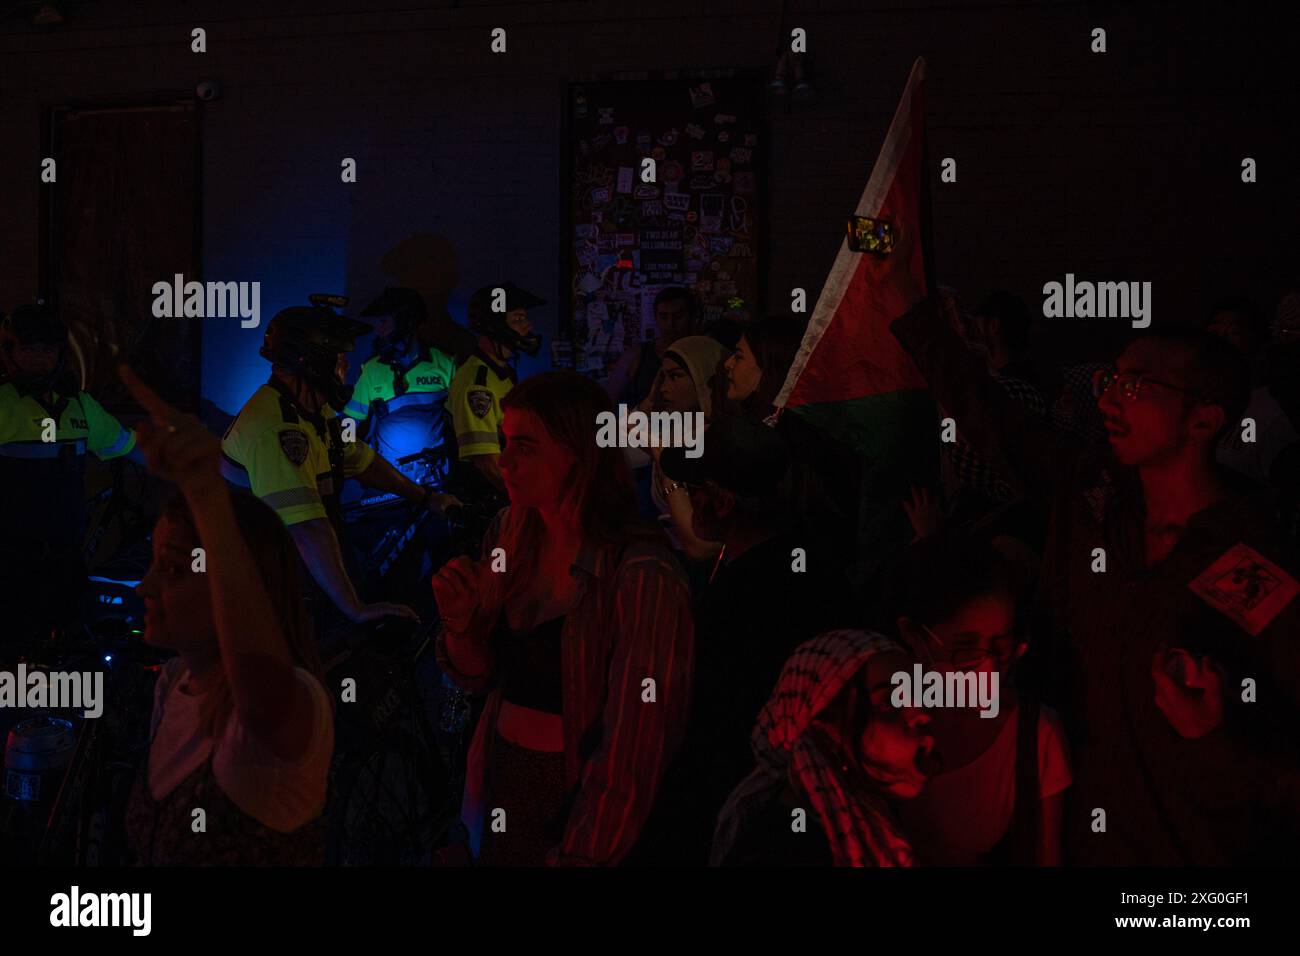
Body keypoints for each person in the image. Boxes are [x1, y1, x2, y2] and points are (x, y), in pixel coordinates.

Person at [891, 297, 1300, 865]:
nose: (1107, 397)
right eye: (1110, 378)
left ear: (1203, 419)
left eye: (1137, 386)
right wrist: (913, 309)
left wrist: (1216, 739)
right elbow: (995, 421)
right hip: (1076, 834)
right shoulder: (1092, 495)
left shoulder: (1257, 566)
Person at [432, 371, 694, 866]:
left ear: (579, 452)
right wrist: (461, 624)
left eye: (525, 447)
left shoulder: (641, 574)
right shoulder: (510, 532)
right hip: (497, 777)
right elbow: (477, 678)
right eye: (505, 442)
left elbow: (634, 748)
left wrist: (584, 852)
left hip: (574, 798)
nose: (504, 461)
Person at [120, 366, 333, 866]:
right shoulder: (174, 683)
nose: (145, 586)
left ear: (238, 583)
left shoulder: (289, 704)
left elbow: (258, 687)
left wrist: (207, 493)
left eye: (173, 568)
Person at [633, 414, 850, 864]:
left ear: (722, 503)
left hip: (743, 808)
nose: (689, 500)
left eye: (694, 489)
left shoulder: (746, 594)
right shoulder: (807, 559)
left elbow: (717, 722)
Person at [220, 295, 457, 627]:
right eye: (338, 358)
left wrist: (426, 497)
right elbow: (307, 529)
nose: (346, 366)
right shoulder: (277, 428)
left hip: (297, 566)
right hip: (266, 581)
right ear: (311, 362)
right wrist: (355, 609)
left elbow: (361, 459)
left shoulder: (317, 412)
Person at [890, 534, 1072, 866]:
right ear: (914, 636)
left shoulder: (1034, 736)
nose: (989, 667)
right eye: (966, 648)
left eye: (1001, 644)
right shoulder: (879, 713)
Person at [711, 629, 935, 867]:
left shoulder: (872, 823)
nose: (921, 716)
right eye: (890, 700)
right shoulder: (783, 847)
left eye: (918, 695)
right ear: (824, 724)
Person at [0, 304, 137, 645]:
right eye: (29, 348)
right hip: (9, 563)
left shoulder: (78, 405)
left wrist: (189, 471)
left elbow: (128, 445)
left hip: (65, 558)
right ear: (9, 351)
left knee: (74, 649)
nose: (38, 358)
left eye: (47, 349)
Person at [445, 282, 545, 500]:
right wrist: (526, 502)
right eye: (518, 320)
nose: (528, 326)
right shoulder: (476, 384)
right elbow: (486, 461)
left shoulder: (501, 371)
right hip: (486, 499)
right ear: (496, 326)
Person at [343, 286, 457, 470]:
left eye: (383, 321)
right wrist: (344, 451)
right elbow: (351, 419)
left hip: (438, 475)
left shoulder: (444, 363)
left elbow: (461, 419)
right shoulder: (372, 369)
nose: (378, 330)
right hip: (392, 481)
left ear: (406, 320)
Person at [642, 334, 729, 565]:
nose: (663, 388)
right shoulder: (676, 432)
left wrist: (667, 466)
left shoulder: (717, 440)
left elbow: (703, 546)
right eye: (662, 377)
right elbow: (621, 445)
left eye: (675, 376)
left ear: (704, 376)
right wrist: (649, 403)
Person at [604, 287, 695, 408]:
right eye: (663, 317)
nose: (670, 323)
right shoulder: (636, 355)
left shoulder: (699, 354)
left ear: (690, 317)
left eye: (678, 316)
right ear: (656, 318)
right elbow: (607, 400)